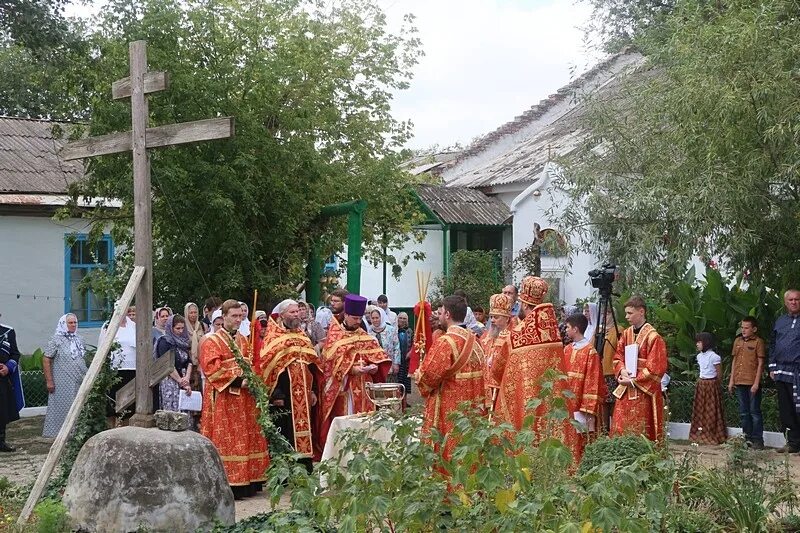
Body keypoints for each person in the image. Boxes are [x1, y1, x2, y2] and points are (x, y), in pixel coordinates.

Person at [200, 299, 269, 498]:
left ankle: (249, 480)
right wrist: (238, 381)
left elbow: (251, 363)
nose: (238, 320)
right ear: (224, 317)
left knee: (246, 436)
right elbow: (211, 369)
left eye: (241, 316)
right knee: (227, 438)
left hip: (244, 400)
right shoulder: (212, 340)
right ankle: (230, 482)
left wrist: (252, 378)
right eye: (234, 316)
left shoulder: (244, 339)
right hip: (224, 398)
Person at [316, 294, 391, 459]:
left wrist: (374, 369)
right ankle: (345, 458)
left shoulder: (365, 335)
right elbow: (329, 365)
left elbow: (380, 357)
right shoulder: (335, 337)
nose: (358, 321)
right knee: (348, 425)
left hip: (365, 390)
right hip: (345, 390)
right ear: (347, 315)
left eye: (360, 318)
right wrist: (352, 370)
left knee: (367, 426)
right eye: (355, 318)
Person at [492, 277, 567, 437]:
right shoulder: (553, 331)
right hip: (551, 397)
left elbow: (497, 370)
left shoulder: (517, 334)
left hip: (525, 396)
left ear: (525, 304)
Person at [415, 295, 486, 460]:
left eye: (440, 313)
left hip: (450, 409)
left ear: (447, 314)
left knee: (449, 452)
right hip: (472, 408)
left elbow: (428, 377)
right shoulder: (475, 341)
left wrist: (419, 373)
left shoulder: (445, 342)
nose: (438, 317)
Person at [258, 299, 319, 472]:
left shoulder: (302, 336)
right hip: (283, 396)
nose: (296, 315)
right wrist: (276, 394)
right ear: (283, 314)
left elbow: (312, 364)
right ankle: (284, 471)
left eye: (297, 311)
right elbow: (267, 368)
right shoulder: (273, 337)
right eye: (292, 312)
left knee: (304, 431)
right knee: (284, 431)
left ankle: (304, 466)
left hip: (303, 394)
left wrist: (313, 390)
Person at [610, 296, 668, 441]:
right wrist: (622, 370)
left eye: (630, 313)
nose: (626, 316)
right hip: (625, 389)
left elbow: (656, 367)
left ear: (641, 311)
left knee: (640, 429)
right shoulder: (626, 334)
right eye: (626, 313)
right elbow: (618, 356)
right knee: (620, 426)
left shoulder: (653, 337)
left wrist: (633, 381)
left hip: (643, 392)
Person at [562, 313, 604, 464]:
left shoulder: (590, 352)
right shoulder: (566, 349)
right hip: (566, 400)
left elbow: (593, 380)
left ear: (576, 328)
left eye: (567, 327)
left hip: (580, 402)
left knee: (582, 436)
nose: (565, 330)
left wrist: (587, 406)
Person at [43, 314, 88, 438]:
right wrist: (49, 381)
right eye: (70, 323)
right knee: (64, 406)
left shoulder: (80, 339)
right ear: (63, 324)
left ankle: (79, 433)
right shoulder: (55, 340)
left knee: (80, 406)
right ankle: (62, 434)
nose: (73, 325)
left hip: (80, 378)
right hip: (63, 380)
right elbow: (46, 359)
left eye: (75, 322)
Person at [768, 289, 800, 454]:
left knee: (799, 408)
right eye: (791, 300)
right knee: (786, 409)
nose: (794, 302)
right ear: (785, 302)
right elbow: (773, 344)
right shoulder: (780, 321)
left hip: (798, 372)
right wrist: (772, 367)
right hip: (781, 371)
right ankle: (792, 443)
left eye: (797, 299)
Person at [728, 316, 765, 449]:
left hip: (752, 382)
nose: (743, 330)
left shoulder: (758, 342)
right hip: (739, 381)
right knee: (744, 413)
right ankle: (746, 439)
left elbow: (760, 363)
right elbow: (734, 361)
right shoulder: (737, 341)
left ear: (754, 329)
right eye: (742, 327)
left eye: (746, 328)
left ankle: (758, 440)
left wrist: (756, 383)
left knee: (754, 412)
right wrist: (732, 380)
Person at [100, 307, 136, 426]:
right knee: (112, 401)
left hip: (131, 368)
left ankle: (125, 427)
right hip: (114, 369)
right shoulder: (108, 326)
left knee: (128, 402)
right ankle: (111, 428)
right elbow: (102, 347)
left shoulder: (133, 325)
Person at [689, 332, 726, 445]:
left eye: (699, 342)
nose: (697, 344)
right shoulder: (699, 356)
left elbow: (719, 374)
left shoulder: (714, 357)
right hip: (702, 383)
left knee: (712, 408)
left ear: (706, 343)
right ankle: (700, 432)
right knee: (700, 408)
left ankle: (712, 433)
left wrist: (716, 384)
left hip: (711, 384)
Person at [154, 315, 193, 414]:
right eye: (177, 328)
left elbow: (189, 361)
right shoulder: (164, 342)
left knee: (184, 409)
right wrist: (180, 381)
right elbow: (167, 364)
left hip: (183, 379)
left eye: (182, 328)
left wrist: (187, 378)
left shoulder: (183, 342)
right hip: (170, 380)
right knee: (172, 410)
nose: (180, 331)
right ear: (171, 328)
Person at [483, 293, 513, 411]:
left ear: (506, 318)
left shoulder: (511, 338)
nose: (492, 320)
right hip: (485, 385)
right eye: (491, 317)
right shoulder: (485, 337)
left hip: (500, 385)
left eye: (496, 317)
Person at [0, 317, 21, 452]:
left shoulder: (8, 332)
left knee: (2, 410)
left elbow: (15, 354)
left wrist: (8, 367)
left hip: (2, 378)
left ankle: (1, 442)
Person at [368, 307, 401, 377]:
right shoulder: (368, 332)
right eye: (373, 318)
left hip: (389, 366)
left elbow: (396, 347)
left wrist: (396, 363)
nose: (375, 320)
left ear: (382, 317)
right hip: (374, 368)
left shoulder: (391, 330)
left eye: (377, 318)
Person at [396, 312, 413, 393]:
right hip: (398, 360)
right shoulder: (394, 330)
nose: (402, 320)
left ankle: (405, 401)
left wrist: (410, 353)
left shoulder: (410, 331)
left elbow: (414, 344)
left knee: (406, 382)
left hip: (407, 360)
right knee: (398, 382)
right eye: (400, 318)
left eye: (404, 318)